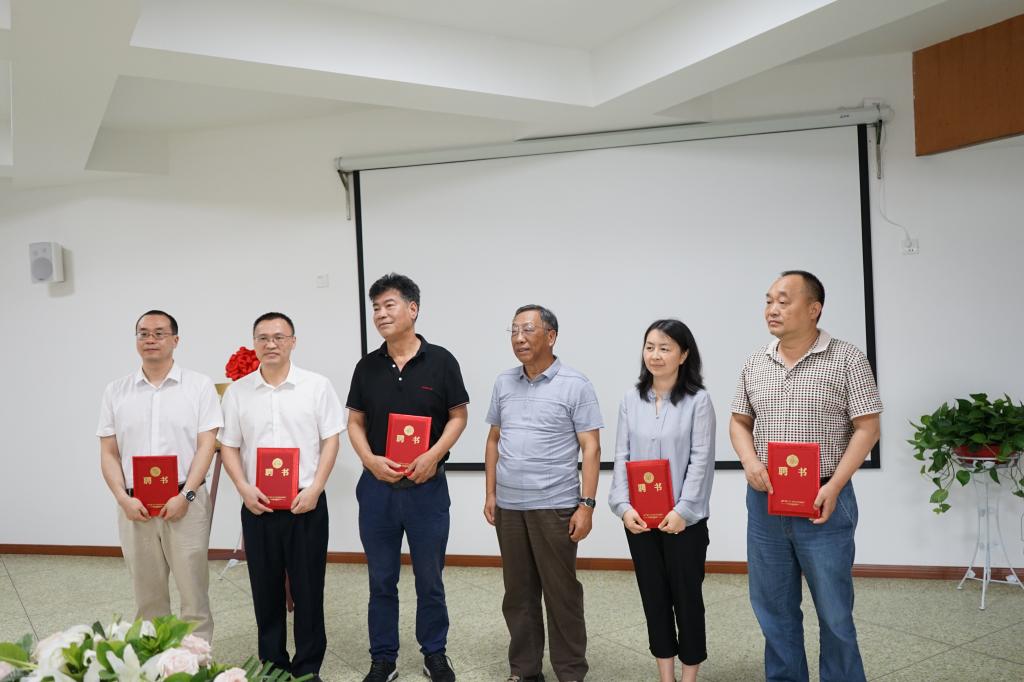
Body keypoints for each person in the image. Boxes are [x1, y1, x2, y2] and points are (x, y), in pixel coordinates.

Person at [730, 270, 882, 682]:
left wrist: (834, 485)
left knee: (834, 613)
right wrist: (750, 462)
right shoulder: (755, 362)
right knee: (773, 609)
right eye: (768, 300)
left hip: (824, 499)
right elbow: (739, 421)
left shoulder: (847, 358)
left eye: (783, 300)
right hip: (766, 502)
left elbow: (868, 427)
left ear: (814, 309)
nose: (772, 309)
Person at [346, 273, 469, 682]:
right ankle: (383, 657)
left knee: (430, 579)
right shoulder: (367, 366)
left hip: (426, 489)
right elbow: (355, 421)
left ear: (413, 309)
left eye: (389, 305)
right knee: (381, 580)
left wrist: (433, 456)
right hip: (377, 490)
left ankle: (434, 652)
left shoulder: (442, 361)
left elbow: (458, 416)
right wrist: (369, 460)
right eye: (376, 308)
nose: (381, 314)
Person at [219, 312, 345, 681]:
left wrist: (316, 488)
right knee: (265, 591)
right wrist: (243, 488)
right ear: (254, 343)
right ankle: (273, 665)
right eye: (263, 337)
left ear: (293, 341)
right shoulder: (238, 392)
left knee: (309, 590)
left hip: (306, 503)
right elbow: (229, 446)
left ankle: (308, 668)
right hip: (258, 506)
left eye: (279, 337)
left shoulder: (316, 386)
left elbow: (331, 440)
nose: (271, 344)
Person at [483, 304, 602, 682]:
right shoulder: (504, 382)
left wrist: (586, 505)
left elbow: (591, 448)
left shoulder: (576, 384)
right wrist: (490, 493)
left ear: (551, 336)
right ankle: (525, 670)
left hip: (555, 506)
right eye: (514, 330)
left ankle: (570, 671)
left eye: (528, 330)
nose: (519, 338)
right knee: (517, 594)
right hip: (510, 507)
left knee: (561, 593)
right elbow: (493, 439)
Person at [97, 310, 222, 643]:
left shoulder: (199, 386)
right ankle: (154, 661)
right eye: (143, 333)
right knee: (147, 596)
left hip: (185, 501)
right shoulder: (116, 391)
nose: (150, 339)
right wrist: (122, 498)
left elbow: (207, 446)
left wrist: (187, 495)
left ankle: (196, 662)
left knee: (194, 593)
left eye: (159, 333)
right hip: (135, 505)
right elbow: (108, 452)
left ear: (175, 340)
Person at [608, 319, 714, 682]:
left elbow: (701, 460)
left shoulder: (699, 401)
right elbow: (621, 456)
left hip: (683, 522)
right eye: (650, 347)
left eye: (665, 348)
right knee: (654, 599)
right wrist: (623, 507)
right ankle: (666, 676)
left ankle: (689, 677)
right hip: (640, 521)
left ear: (683, 355)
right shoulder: (630, 399)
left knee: (687, 600)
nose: (655, 355)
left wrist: (683, 511)